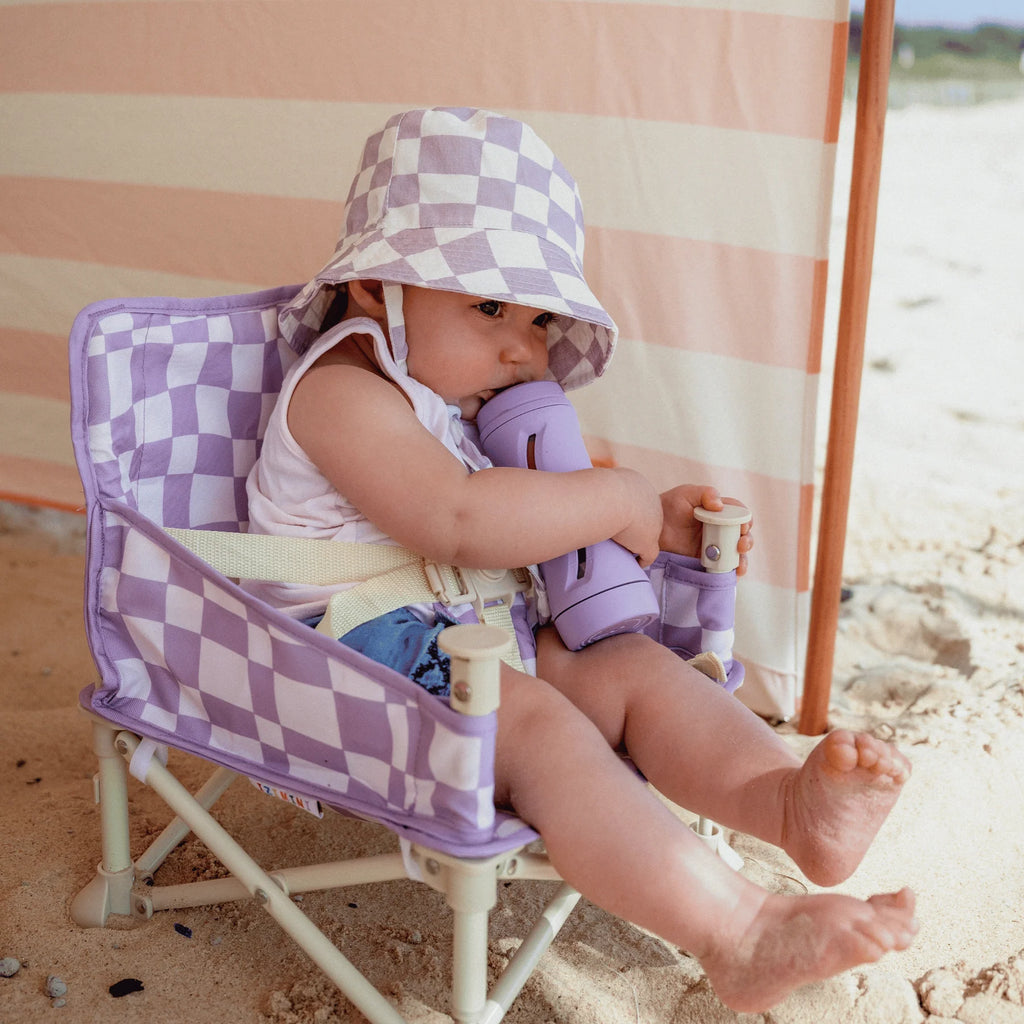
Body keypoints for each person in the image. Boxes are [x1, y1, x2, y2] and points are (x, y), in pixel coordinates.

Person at [246, 107, 916, 1013]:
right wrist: (618, 498)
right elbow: (458, 519)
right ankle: (739, 930)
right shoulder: (340, 392)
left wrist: (651, 523)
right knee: (540, 729)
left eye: (536, 318)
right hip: (349, 661)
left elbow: (535, 506)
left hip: (473, 635)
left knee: (634, 667)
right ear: (373, 287)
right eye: (487, 307)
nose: (523, 348)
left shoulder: (456, 397)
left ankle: (783, 802)